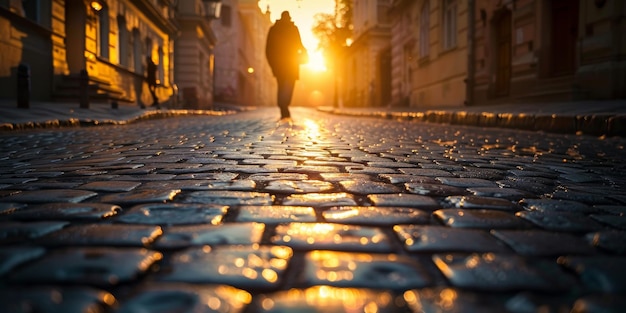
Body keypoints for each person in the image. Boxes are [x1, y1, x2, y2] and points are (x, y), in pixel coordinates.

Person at [265, 11, 307, 121]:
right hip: (288, 64)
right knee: (287, 87)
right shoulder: (284, 29)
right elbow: (269, 49)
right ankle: (284, 106)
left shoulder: (275, 29)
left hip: (283, 64)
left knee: (283, 86)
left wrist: (272, 64)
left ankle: (283, 106)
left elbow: (299, 44)